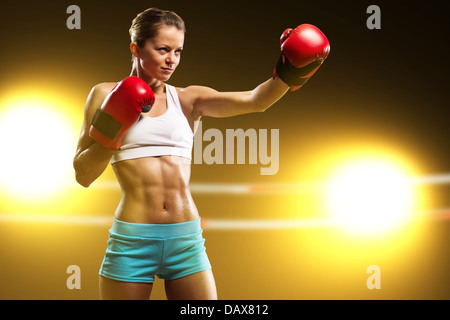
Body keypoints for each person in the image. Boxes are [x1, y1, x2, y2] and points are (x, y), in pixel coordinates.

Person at [73, 7, 330, 300]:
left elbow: (255, 101)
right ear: (136, 48)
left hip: (185, 241)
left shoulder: (188, 99)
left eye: (178, 51)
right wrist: (113, 128)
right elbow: (83, 174)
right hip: (132, 240)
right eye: (163, 49)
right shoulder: (104, 93)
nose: (172, 60)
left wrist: (291, 69)